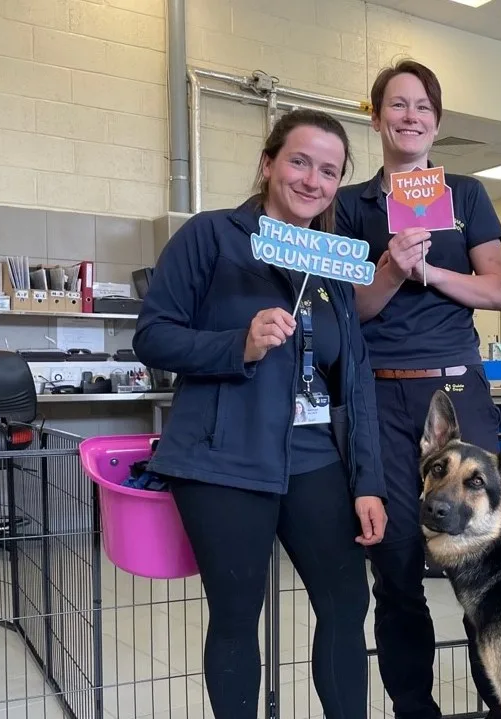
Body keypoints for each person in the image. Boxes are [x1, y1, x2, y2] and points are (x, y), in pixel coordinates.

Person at [133, 108, 388, 719]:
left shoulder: (332, 262)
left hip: (317, 459)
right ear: (268, 162)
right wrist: (236, 345)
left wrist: (369, 482)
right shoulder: (211, 237)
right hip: (225, 461)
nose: (312, 180)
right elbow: (153, 336)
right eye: (299, 161)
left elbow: (353, 379)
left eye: (329, 171)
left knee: (347, 605)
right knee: (236, 615)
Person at [336, 60, 501, 719]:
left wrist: (430, 269)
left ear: (436, 121)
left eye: (422, 107)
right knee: (396, 569)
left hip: (457, 394)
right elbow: (345, 313)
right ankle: (413, 707)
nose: (409, 116)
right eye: (396, 104)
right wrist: (388, 269)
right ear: (377, 116)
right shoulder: (350, 205)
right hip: (379, 397)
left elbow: (497, 291)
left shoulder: (464, 195)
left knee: (477, 563)